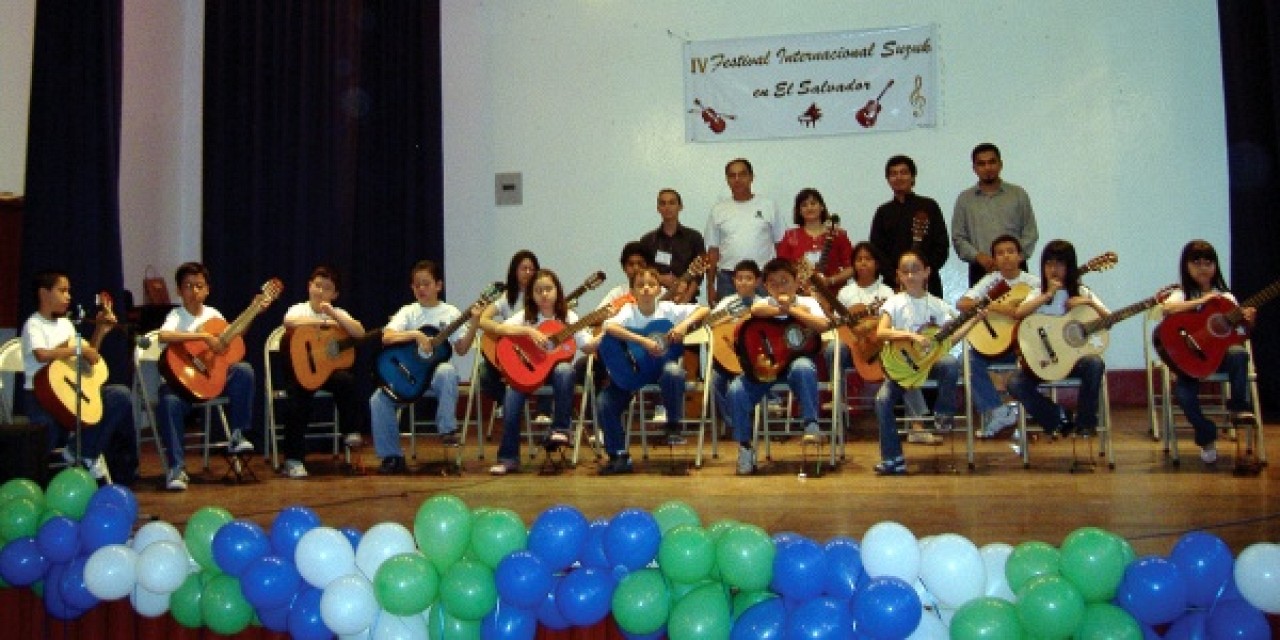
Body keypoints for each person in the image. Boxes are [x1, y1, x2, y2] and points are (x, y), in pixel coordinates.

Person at [156, 262, 261, 491]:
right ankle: (176, 468)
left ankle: (237, 433)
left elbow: (233, 337)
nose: (194, 291)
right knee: (168, 400)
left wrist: (252, 312)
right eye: (188, 286)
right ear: (179, 291)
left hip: (211, 382)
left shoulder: (214, 315)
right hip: (183, 386)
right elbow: (163, 336)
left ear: (207, 290)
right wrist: (204, 336)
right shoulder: (176, 315)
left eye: (199, 286)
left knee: (244, 370)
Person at [873, 251, 979, 475]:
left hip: (930, 366)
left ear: (927, 273)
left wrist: (974, 321)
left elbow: (950, 339)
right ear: (899, 275)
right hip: (903, 369)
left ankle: (943, 415)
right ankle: (893, 458)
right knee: (882, 401)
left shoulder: (938, 306)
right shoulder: (894, 302)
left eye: (916, 270)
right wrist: (912, 337)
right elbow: (881, 332)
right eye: (906, 271)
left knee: (949, 362)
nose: (911, 275)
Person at [370, 260, 481, 474]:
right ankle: (392, 457)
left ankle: (447, 429)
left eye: (426, 283)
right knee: (378, 399)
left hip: (436, 378)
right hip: (409, 377)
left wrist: (474, 323)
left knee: (447, 371)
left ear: (438, 286)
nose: (421, 288)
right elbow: (387, 337)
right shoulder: (408, 312)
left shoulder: (450, 313)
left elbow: (462, 349)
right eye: (417, 285)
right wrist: (415, 334)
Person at [595, 267, 709, 474]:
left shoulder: (668, 309)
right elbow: (608, 328)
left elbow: (704, 310)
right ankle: (618, 455)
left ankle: (673, 425)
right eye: (640, 285)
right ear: (633, 291)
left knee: (674, 371)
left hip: (661, 371)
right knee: (604, 401)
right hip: (634, 372)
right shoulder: (628, 311)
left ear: (659, 289)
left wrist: (683, 325)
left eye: (651, 285)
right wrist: (643, 341)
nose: (646, 289)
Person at [20, 270, 131, 480]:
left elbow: (89, 360)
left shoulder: (66, 324)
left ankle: (82, 452)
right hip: (41, 397)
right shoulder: (33, 324)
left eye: (68, 291)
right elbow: (42, 354)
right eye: (62, 291)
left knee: (120, 395)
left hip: (71, 392)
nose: (68, 296)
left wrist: (99, 331)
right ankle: (43, 482)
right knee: (47, 430)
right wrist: (76, 350)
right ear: (44, 294)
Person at [488, 269, 598, 475]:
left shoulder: (569, 317)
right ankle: (508, 458)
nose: (544, 294)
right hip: (528, 372)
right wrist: (528, 330)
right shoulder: (526, 317)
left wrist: (606, 334)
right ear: (531, 294)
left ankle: (560, 429)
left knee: (565, 369)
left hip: (556, 377)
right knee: (512, 394)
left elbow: (587, 346)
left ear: (557, 291)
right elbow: (499, 329)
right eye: (538, 290)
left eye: (548, 289)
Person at [726, 258, 828, 475]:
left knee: (803, 367)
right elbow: (755, 310)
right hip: (766, 369)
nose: (780, 287)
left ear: (797, 281)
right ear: (766, 286)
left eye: (785, 281)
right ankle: (745, 447)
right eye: (773, 283)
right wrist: (780, 307)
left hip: (793, 369)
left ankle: (810, 424)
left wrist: (792, 309)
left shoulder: (809, 303)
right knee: (736, 390)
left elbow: (822, 325)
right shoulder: (765, 303)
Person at [1159, 240, 1257, 465]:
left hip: (1219, 358)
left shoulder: (1226, 298)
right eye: (1197, 263)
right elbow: (1167, 309)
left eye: (1208, 263)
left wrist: (1249, 322)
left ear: (1215, 266)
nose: (1203, 268)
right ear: (1187, 267)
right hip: (1191, 361)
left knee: (1238, 353)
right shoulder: (1181, 294)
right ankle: (1206, 434)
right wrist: (1202, 300)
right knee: (1183, 394)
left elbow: (1241, 333)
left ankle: (1239, 408)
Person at [1008, 240, 1106, 439]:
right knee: (1015, 383)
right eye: (1048, 264)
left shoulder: (1081, 292)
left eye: (1060, 264)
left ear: (1069, 267)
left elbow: (1108, 320)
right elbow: (1019, 313)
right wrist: (1046, 296)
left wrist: (1087, 303)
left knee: (1095, 363)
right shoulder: (1037, 293)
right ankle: (1057, 417)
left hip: (1073, 361)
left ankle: (1085, 423)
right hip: (1042, 363)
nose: (1053, 269)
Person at [278, 266, 367, 478]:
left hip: (326, 373)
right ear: (309, 286)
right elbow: (289, 322)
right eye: (317, 286)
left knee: (346, 380)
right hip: (300, 372)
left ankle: (350, 431)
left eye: (327, 288)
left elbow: (360, 333)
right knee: (297, 401)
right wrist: (321, 321)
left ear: (335, 294)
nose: (320, 292)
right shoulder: (298, 309)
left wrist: (334, 314)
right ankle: (293, 459)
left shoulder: (339, 314)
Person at [960, 235, 1037, 438]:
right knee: (967, 360)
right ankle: (998, 411)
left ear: (1020, 256)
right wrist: (998, 307)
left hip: (1022, 346)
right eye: (1000, 253)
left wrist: (1011, 310)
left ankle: (1033, 414)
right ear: (994, 259)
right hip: (996, 344)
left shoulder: (1033, 284)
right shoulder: (991, 281)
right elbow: (963, 303)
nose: (1006, 257)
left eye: (1011, 251)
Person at [476, 250, 550, 421]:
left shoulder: (543, 296)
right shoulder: (507, 297)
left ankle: (543, 410)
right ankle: (507, 403)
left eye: (532, 269)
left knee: (550, 363)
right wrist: (504, 330)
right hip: (510, 354)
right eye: (523, 268)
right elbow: (483, 320)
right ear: (514, 271)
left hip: (534, 352)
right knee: (484, 374)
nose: (528, 273)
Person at [951, 143, 1039, 286]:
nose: (988, 168)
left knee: (1020, 307)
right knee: (982, 308)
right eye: (981, 164)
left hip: (1016, 270)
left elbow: (1030, 232)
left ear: (1000, 164)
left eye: (992, 162)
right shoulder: (965, 200)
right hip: (981, 269)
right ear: (974, 169)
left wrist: (1012, 258)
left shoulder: (1018, 194)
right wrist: (978, 257)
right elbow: (958, 237)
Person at [703, 158, 787, 303]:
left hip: (763, 277)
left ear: (751, 177)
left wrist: (781, 278)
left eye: (742, 174)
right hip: (728, 279)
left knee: (765, 321)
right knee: (728, 323)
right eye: (732, 175)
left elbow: (781, 244)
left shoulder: (768, 205)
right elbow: (713, 252)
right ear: (727, 180)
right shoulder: (718, 210)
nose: (737, 179)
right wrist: (710, 286)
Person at [869, 155, 949, 296]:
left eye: (903, 172)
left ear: (913, 177)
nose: (898, 177)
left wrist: (922, 273)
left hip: (928, 283)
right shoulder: (883, 212)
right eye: (893, 174)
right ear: (888, 180)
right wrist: (896, 276)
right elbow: (876, 251)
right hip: (893, 285)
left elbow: (941, 247)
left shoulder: (929, 206)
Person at [709, 260, 762, 438]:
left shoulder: (762, 304)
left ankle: (746, 420)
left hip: (751, 360)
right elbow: (708, 323)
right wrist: (731, 314)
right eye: (739, 278)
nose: (743, 282)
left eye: (748, 278)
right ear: (734, 281)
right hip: (727, 357)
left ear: (757, 282)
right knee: (713, 381)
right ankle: (733, 421)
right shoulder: (727, 302)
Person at [639, 188, 707, 302]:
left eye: (672, 203)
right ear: (658, 208)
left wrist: (687, 296)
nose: (667, 207)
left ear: (680, 207)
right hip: (656, 300)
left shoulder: (694, 237)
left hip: (687, 299)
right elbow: (641, 272)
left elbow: (700, 273)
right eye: (663, 203)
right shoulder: (647, 240)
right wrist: (660, 278)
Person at [776, 188, 853, 288]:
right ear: (799, 211)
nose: (809, 208)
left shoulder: (838, 235)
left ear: (822, 207)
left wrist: (830, 281)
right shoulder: (790, 236)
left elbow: (851, 268)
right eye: (804, 205)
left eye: (813, 203)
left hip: (833, 296)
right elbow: (781, 269)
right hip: (801, 297)